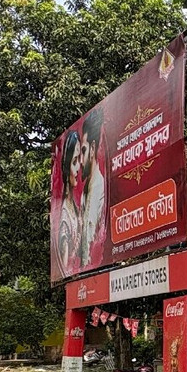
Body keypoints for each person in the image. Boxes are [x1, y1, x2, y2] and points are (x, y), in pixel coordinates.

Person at [79, 109, 107, 269]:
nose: (81, 161)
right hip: (87, 275)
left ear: (93, 148)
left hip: (100, 267)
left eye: (83, 151)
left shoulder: (100, 188)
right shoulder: (85, 191)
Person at [55, 130, 83, 277]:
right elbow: (65, 270)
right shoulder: (65, 218)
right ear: (66, 168)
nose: (79, 167)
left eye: (79, 159)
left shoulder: (75, 206)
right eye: (74, 162)